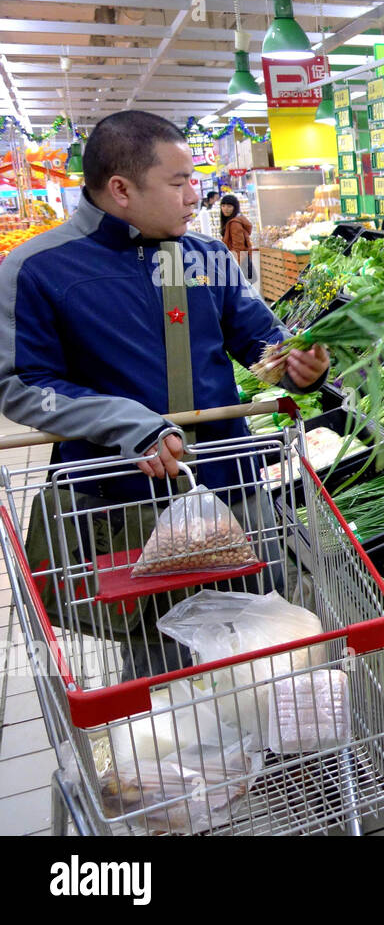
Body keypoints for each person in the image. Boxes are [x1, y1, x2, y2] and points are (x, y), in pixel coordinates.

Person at [0, 110, 330, 674]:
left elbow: (258, 340)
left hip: (230, 480)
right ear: (121, 189)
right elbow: (24, 387)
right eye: (177, 183)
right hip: (123, 496)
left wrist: (298, 364)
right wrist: (132, 423)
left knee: (267, 637)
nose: (193, 197)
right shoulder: (37, 269)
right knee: (163, 657)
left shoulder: (207, 257)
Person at [219, 194, 254, 278]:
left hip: (239, 263)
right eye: (223, 206)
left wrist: (235, 268)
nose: (225, 209)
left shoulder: (234, 224)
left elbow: (238, 247)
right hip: (242, 262)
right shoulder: (232, 221)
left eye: (229, 206)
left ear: (235, 207)